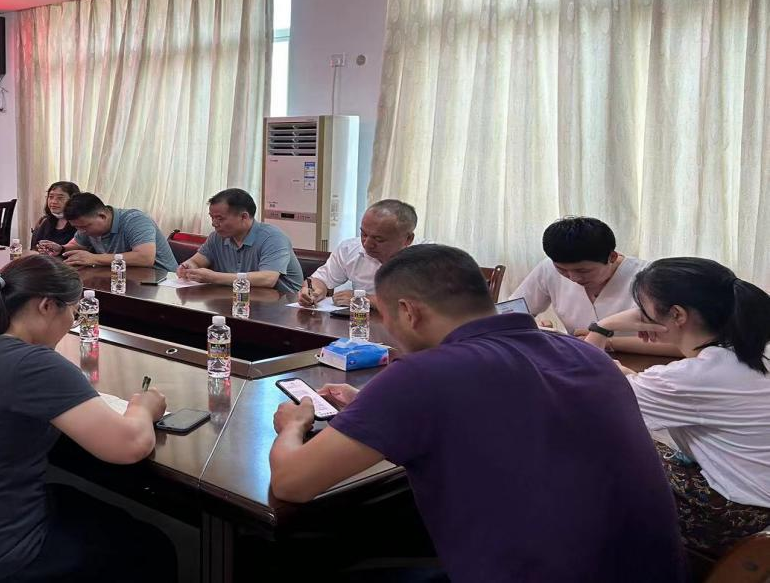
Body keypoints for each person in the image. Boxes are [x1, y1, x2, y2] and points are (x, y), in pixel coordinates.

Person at [269, 244, 685, 583]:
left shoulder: (422, 375)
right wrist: (373, 411)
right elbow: (505, 416)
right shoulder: (585, 354)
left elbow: (292, 484)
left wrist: (294, 425)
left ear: (409, 312)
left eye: (386, 315)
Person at [0, 254, 176, 582]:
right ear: (46, 306)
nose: (72, 322)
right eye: (73, 312)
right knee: (152, 547)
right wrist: (144, 407)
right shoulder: (32, 363)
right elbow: (130, 445)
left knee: (70, 499)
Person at [581, 257, 770, 555]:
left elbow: (585, 393)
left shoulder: (690, 378)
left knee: (600, 452)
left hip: (737, 517)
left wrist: (603, 327)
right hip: (760, 498)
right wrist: (630, 377)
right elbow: (683, 389)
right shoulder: (752, 348)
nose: (639, 315)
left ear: (677, 314)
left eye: (643, 308)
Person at [509, 216, 675, 355]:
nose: (573, 277)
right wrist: (534, 327)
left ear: (612, 257)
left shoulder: (650, 278)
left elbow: (679, 345)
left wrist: (604, 340)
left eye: (583, 270)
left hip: (644, 367)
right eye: (562, 270)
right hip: (580, 362)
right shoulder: (548, 268)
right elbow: (508, 313)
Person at [298, 199, 422, 307]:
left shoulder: (426, 259)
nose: (367, 244)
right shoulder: (349, 249)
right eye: (364, 234)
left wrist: (366, 300)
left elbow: (426, 307)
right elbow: (320, 280)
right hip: (360, 322)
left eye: (378, 239)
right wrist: (313, 291)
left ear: (408, 239)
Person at [177, 188, 303, 292]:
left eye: (220, 219)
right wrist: (188, 267)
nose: (214, 224)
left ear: (244, 217)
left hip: (281, 304)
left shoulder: (273, 238)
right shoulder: (217, 237)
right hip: (238, 300)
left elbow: (268, 279)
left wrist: (213, 277)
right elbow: (196, 261)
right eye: (212, 217)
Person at [41, 192, 178, 272]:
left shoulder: (135, 220)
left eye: (84, 226)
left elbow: (145, 258)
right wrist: (61, 249)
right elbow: (77, 245)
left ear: (102, 216)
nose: (81, 231)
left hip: (160, 282)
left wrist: (93, 258)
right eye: (76, 227)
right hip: (123, 279)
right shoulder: (87, 228)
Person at [32, 181, 81, 252]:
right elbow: (35, 248)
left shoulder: (80, 224)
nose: (53, 201)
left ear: (73, 200)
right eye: (51, 197)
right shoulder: (46, 221)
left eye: (60, 198)